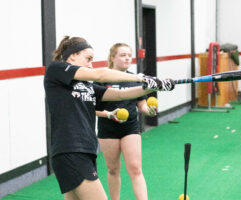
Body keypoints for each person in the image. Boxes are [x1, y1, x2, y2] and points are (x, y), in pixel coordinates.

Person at [44, 36, 174, 200]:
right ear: (72, 56)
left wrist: (153, 87)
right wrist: (140, 77)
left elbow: (120, 95)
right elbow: (100, 75)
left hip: (86, 151)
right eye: (88, 59)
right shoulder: (56, 70)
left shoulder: (87, 86)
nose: (91, 64)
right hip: (71, 149)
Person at [96, 43, 156, 200]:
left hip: (130, 128)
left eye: (129, 55)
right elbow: (93, 108)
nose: (127, 58)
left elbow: (141, 104)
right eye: (123, 55)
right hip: (108, 129)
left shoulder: (135, 79)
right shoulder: (101, 79)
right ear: (112, 58)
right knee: (113, 169)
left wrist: (148, 110)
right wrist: (109, 114)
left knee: (136, 169)